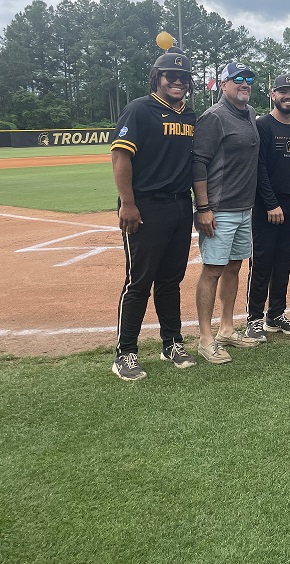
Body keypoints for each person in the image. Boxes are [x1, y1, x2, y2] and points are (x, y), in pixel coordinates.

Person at [110, 42, 197, 380]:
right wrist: (128, 203)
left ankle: (171, 343)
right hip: (145, 205)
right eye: (170, 75)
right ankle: (125, 352)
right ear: (157, 78)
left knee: (171, 280)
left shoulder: (188, 114)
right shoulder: (139, 110)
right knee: (139, 281)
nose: (177, 81)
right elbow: (120, 157)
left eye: (183, 77)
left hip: (179, 204)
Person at [192, 61, 262, 363]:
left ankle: (226, 329)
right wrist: (203, 207)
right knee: (212, 270)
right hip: (219, 210)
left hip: (245, 208)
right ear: (223, 84)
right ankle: (205, 339)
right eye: (238, 79)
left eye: (248, 79)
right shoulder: (214, 117)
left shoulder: (248, 114)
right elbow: (198, 164)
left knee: (234, 268)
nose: (244, 83)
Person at [244, 74, 290, 342]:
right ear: (273, 94)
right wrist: (270, 204)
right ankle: (254, 319)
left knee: (284, 259)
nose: (288, 96)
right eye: (283, 92)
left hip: (289, 203)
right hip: (265, 204)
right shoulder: (262, 125)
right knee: (262, 261)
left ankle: (276, 314)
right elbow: (259, 167)